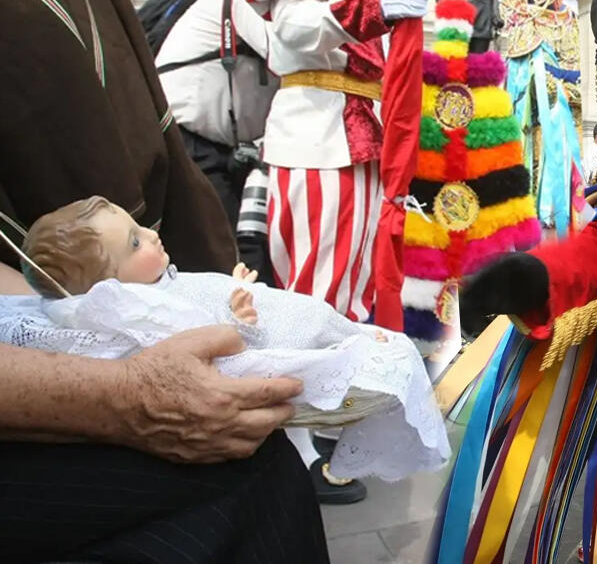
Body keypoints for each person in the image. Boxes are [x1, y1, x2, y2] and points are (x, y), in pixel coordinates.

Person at [0, 0, 324, 555]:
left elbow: (147, 133)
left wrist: (202, 287)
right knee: (238, 488)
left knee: (258, 460)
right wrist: (118, 393)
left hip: (74, 302)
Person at [9, 196, 449, 480]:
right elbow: (204, 343)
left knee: (314, 313)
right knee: (308, 320)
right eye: (134, 243)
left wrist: (229, 287)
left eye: (139, 226)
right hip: (253, 337)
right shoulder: (140, 312)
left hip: (251, 309)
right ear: (105, 288)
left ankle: (354, 338)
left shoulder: (158, 285)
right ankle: (353, 349)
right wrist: (237, 318)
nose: (153, 235)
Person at [244, 0, 432, 502]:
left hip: (356, 130)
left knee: (346, 294)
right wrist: (376, 5)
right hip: (316, 129)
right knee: (308, 296)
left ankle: (318, 433)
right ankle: (288, 450)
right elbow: (296, 30)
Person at [152, 0, 280, 284]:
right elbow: (290, 54)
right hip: (186, 135)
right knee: (219, 246)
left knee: (246, 242)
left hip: (231, 148)